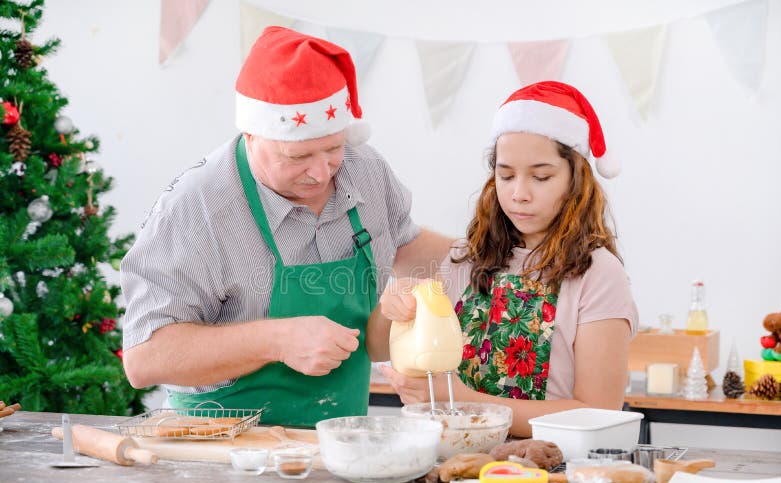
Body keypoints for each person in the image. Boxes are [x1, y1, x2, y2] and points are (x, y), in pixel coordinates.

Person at [120, 26, 451, 427]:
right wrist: (275, 340)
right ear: (252, 135)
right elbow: (143, 359)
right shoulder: (196, 209)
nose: (321, 172)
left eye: (333, 148)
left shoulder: (365, 168)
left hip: (339, 437)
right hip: (223, 446)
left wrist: (498, 255)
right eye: (297, 157)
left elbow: (403, 245)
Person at [368, 81, 638, 437]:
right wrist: (394, 304)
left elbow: (598, 412)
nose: (518, 194)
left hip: (548, 474)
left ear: (577, 179)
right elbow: (374, 349)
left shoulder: (598, 273)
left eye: (541, 177)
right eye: (506, 175)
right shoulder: (467, 257)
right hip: (457, 460)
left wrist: (467, 403)